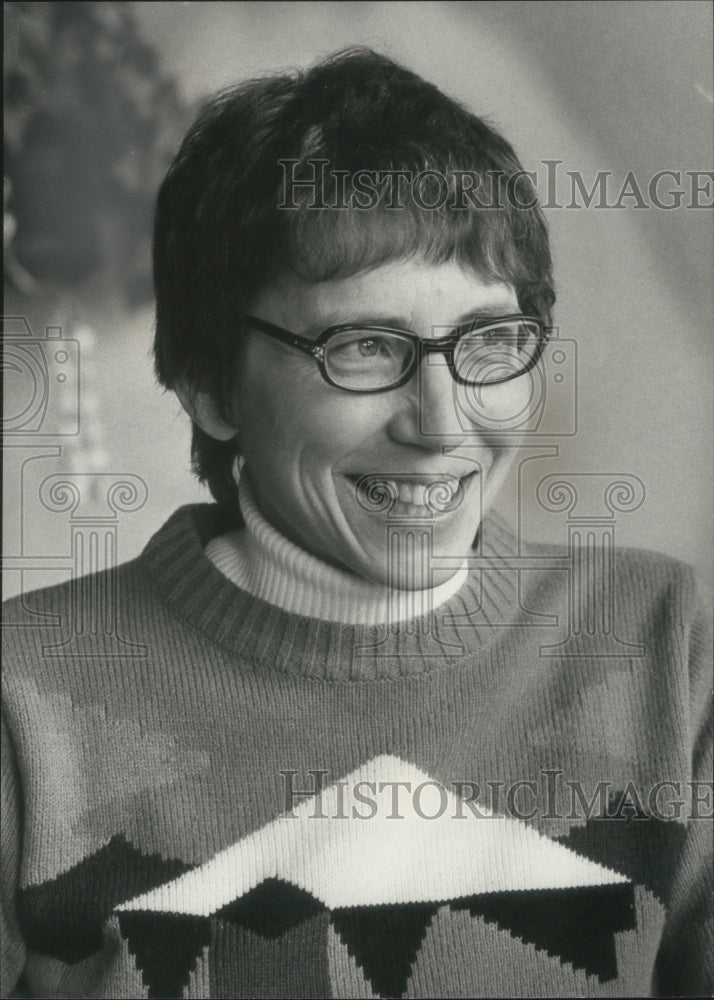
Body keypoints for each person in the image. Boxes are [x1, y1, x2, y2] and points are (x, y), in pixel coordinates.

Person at [2, 48, 711, 1000]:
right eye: (365, 348)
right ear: (210, 385)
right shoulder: (26, 698)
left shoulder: (666, 646)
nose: (445, 422)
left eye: (487, 342)